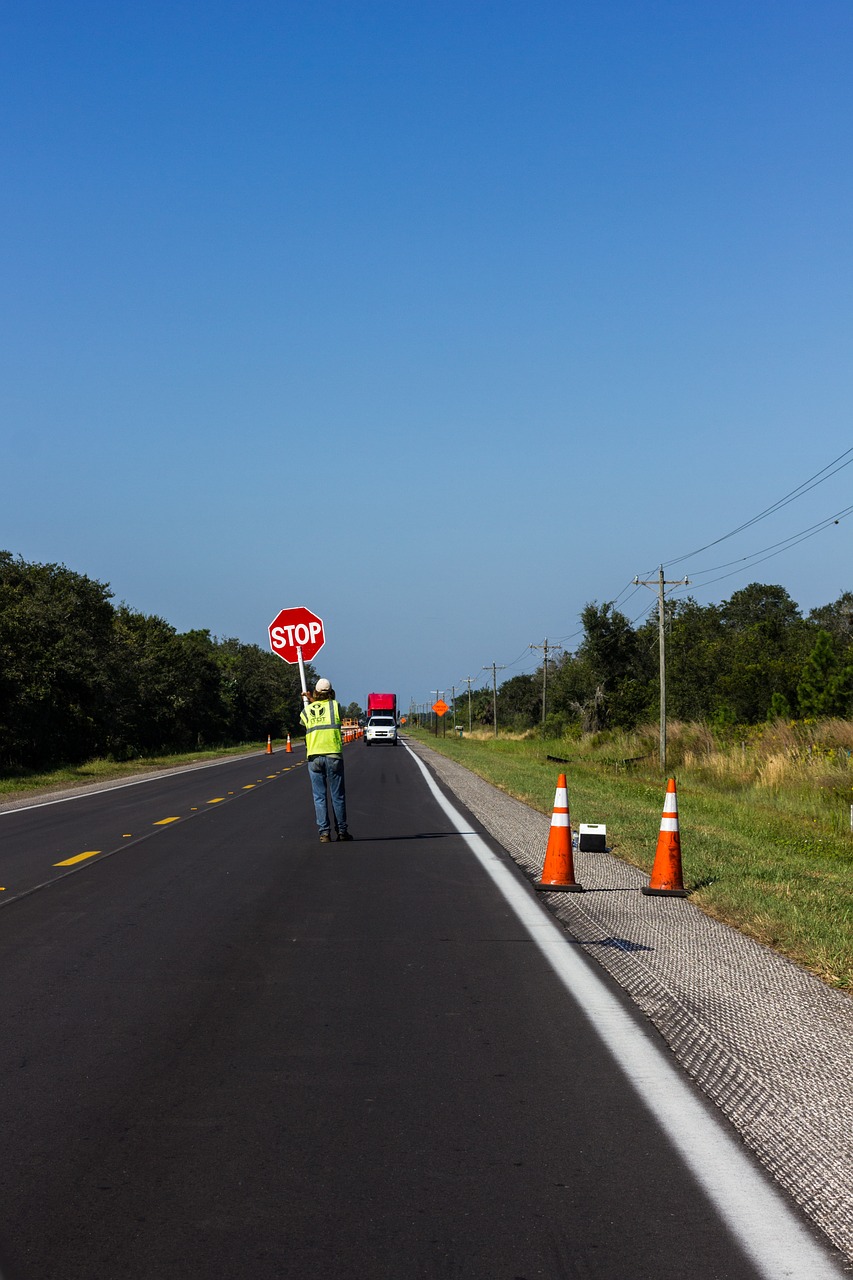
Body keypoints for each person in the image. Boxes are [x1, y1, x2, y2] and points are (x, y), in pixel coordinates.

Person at [299, 678, 353, 843]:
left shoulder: (306, 711)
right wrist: (314, 699)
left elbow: (310, 718)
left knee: (319, 797)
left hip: (314, 756)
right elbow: (326, 707)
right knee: (337, 796)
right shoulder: (334, 706)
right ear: (331, 692)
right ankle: (342, 832)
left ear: (315, 692)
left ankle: (324, 833)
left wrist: (309, 700)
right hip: (333, 755)